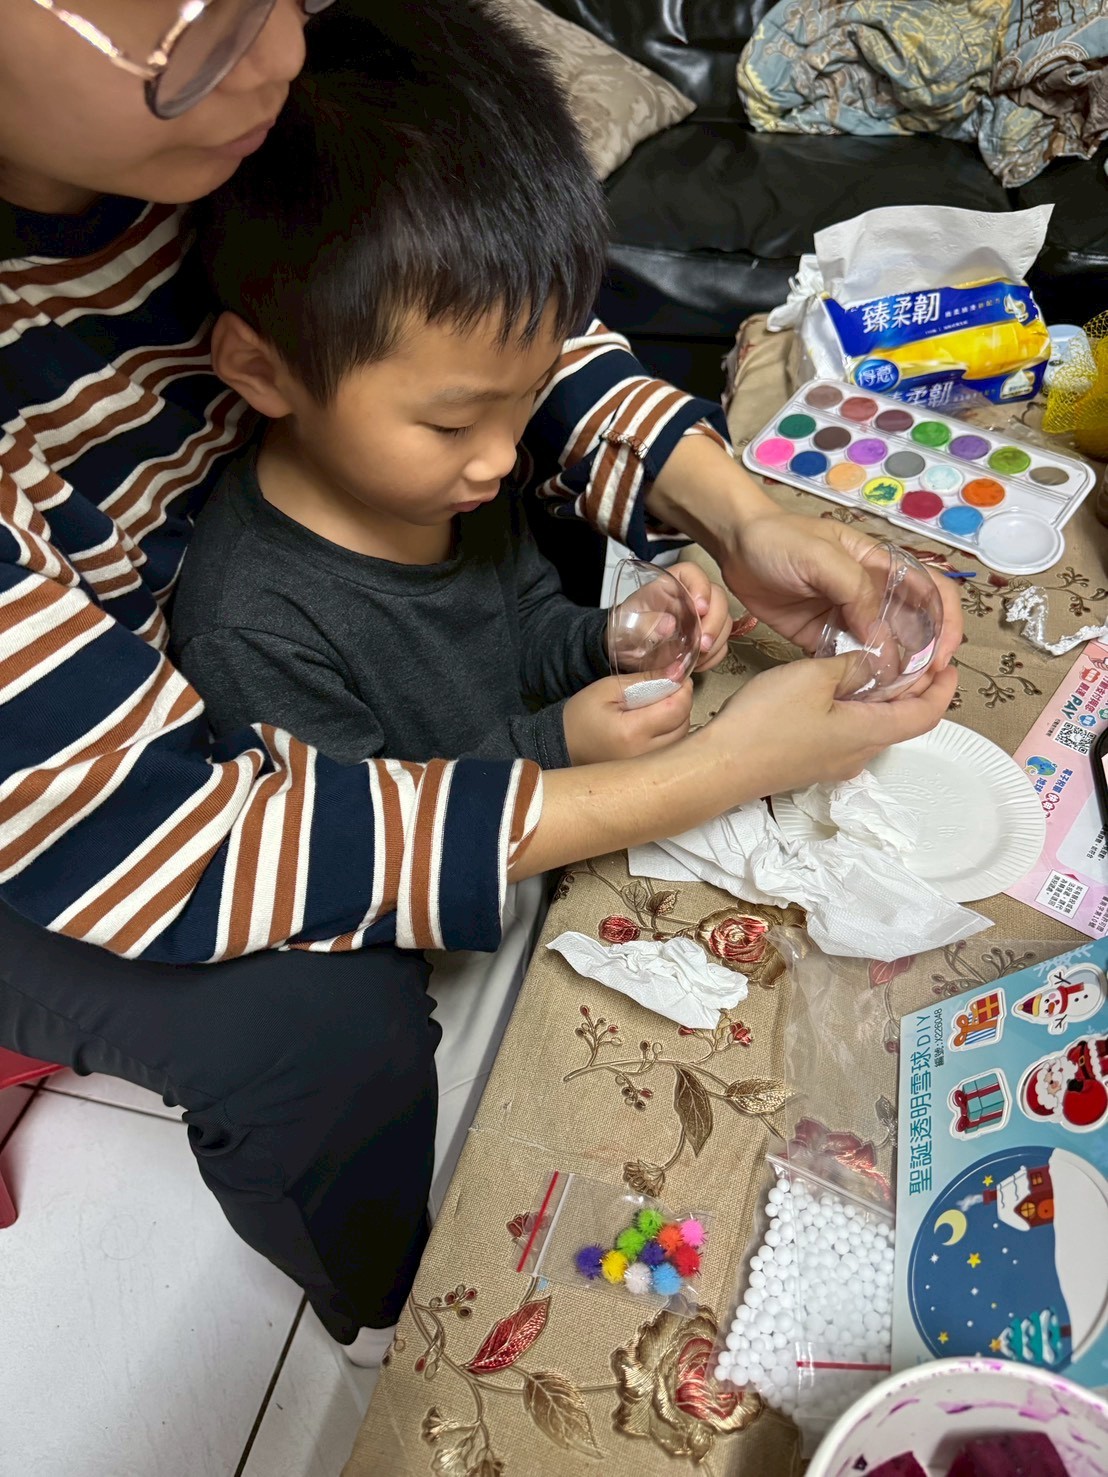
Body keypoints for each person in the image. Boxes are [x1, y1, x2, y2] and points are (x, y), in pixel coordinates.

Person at [0, 0, 960, 1366]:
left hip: (300, 583)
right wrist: (698, 771)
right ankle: (380, 1300)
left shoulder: (273, 126)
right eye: (198, 35)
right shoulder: (256, 622)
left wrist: (729, 522)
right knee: (316, 1022)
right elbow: (181, 829)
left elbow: (487, 324)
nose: (282, 54)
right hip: (81, 791)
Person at [171, 64, 733, 773]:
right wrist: (554, 744)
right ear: (262, 372)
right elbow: (359, 828)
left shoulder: (451, 485)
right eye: (454, 423)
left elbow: (526, 628)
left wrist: (612, 638)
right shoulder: (252, 630)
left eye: (530, 393)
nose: (504, 458)